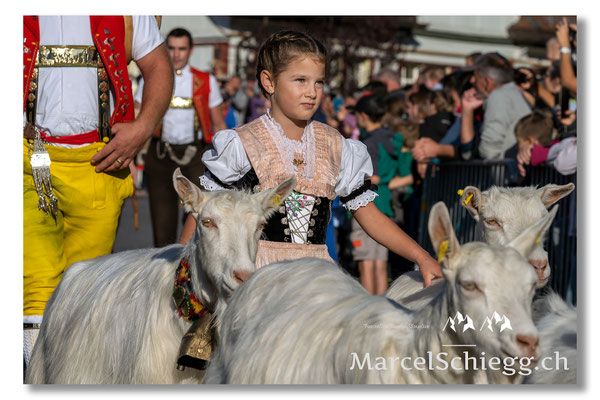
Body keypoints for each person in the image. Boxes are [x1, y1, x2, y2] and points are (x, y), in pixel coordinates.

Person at [179, 30, 441, 288]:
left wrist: (421, 257)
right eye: (300, 80)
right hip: (257, 277)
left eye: (319, 82)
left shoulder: (337, 146)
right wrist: (179, 273)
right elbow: (204, 210)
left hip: (316, 280)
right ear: (269, 82)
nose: (312, 92)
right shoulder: (241, 144)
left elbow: (369, 215)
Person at [23, 15, 173, 365]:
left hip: (101, 162)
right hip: (26, 156)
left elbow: (158, 67)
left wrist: (143, 128)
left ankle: (68, 373)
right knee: (36, 279)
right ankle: (33, 375)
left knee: (82, 287)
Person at [134, 27, 226, 248]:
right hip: (160, 154)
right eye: (172, 48)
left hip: (196, 158)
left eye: (182, 49)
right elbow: (137, 116)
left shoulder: (206, 80)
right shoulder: (152, 79)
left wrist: (227, 160)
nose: (176, 54)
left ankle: (191, 276)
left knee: (197, 221)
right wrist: (130, 156)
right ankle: (164, 277)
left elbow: (218, 123)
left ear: (191, 50)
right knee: (162, 226)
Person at [350, 94, 402, 294]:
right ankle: (382, 305)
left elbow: (374, 176)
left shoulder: (369, 144)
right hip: (386, 204)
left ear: (363, 116)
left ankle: (367, 311)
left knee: (365, 262)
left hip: (366, 204)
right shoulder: (392, 139)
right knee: (380, 263)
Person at [460, 52, 531, 160]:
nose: (472, 81)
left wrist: (485, 167)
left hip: (501, 173)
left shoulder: (499, 96)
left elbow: (489, 149)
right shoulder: (514, 93)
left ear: (488, 82)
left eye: (476, 76)